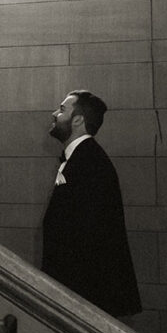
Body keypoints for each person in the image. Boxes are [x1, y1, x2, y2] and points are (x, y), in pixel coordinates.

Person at [41, 90, 142, 318]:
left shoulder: (91, 162)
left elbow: (90, 235)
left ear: (78, 120)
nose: (54, 113)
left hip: (84, 298)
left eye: (62, 109)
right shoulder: (85, 158)